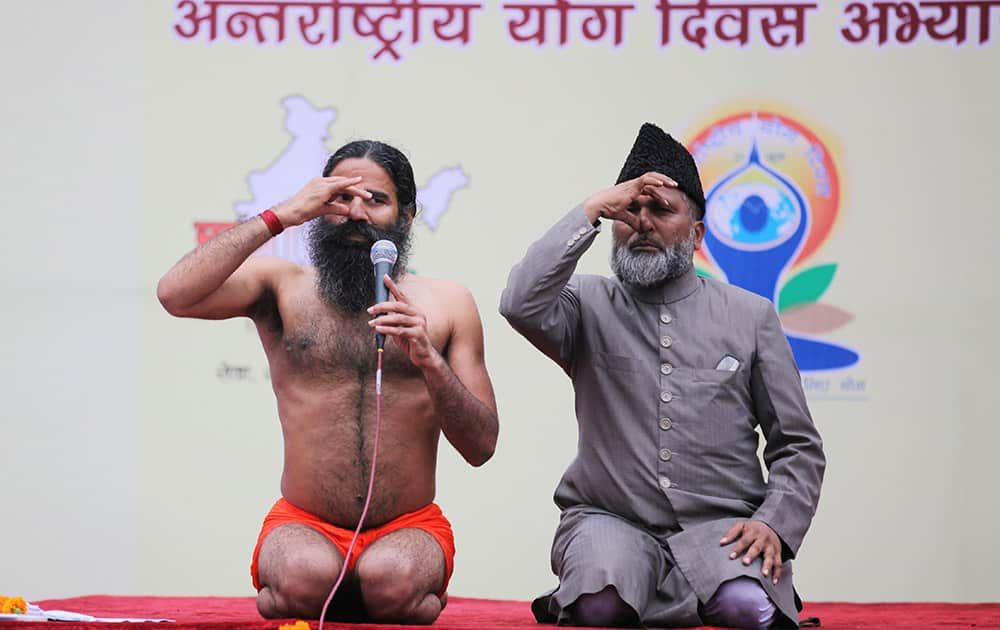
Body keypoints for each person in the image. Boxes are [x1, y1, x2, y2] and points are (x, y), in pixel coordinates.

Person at [157, 139, 499, 624]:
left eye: (376, 200)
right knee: (300, 579)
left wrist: (429, 361)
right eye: (340, 198)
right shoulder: (281, 286)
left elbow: (481, 445)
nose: (356, 212)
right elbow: (174, 294)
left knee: (395, 582)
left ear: (406, 216)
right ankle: (322, 588)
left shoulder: (448, 302)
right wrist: (282, 215)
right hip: (305, 522)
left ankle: (380, 591)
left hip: (407, 526)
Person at [499, 123, 824, 630]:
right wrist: (590, 209)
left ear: (696, 234)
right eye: (630, 211)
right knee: (599, 605)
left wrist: (773, 526)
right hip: (610, 521)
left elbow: (797, 445)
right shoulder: (586, 302)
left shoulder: (751, 316)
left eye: (661, 210)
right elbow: (519, 302)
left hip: (722, 527)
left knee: (746, 609)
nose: (642, 223)